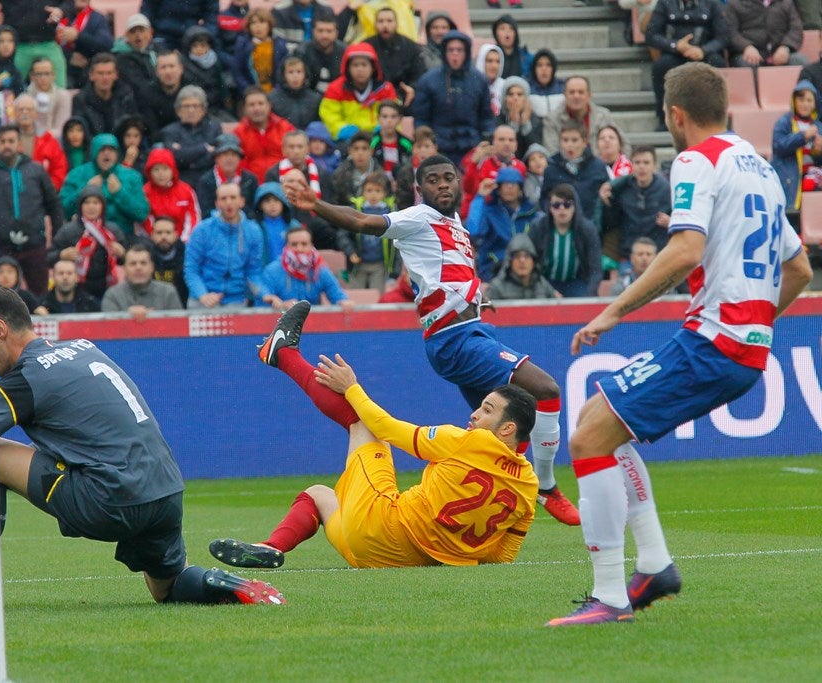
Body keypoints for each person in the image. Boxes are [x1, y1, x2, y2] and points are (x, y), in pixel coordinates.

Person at [547, 62, 812, 626]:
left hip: (716, 339)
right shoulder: (762, 169)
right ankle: (656, 565)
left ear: (676, 115)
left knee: (590, 435)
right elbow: (800, 270)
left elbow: (685, 249)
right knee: (603, 417)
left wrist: (613, 310)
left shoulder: (697, 159)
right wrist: (760, 320)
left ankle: (612, 596)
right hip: (744, 342)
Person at [0, 287, 285, 610]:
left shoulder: (25, 378)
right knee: (167, 588)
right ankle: (225, 583)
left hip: (110, 498)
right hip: (166, 491)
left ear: (0, 328)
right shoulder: (85, 348)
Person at [282, 155, 581, 525]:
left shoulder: (455, 224)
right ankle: (547, 487)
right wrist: (316, 204)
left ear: (459, 183)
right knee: (545, 389)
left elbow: (444, 272)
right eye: (434, 180)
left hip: (471, 330)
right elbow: (361, 220)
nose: (443, 185)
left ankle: (488, 503)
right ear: (419, 190)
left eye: (449, 178)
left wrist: (475, 297)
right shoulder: (418, 218)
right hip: (454, 339)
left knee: (498, 432)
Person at [209, 301, 538, 569]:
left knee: (363, 425)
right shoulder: (528, 483)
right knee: (320, 495)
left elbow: (387, 428)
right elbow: (502, 558)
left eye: (488, 410)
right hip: (395, 560)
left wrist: (351, 388)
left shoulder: (474, 441)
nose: (475, 414)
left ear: (508, 428)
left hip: (383, 529)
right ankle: (267, 547)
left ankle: (282, 354)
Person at [0, 125, 63, 297]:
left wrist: (56, 240)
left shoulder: (36, 170)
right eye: (2, 141)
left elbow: (54, 204)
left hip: (34, 245)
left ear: (20, 144)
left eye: (11, 141)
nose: (7, 145)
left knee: (40, 294)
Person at [645, 0, 728, 131]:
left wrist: (704, 50)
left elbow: (723, 37)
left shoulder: (712, 4)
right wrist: (675, 45)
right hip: (675, 53)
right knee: (660, 66)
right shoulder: (665, 3)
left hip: (703, 53)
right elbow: (652, 35)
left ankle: (715, 118)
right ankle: (664, 118)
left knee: (717, 64)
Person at [412, 31, 493, 165]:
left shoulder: (478, 80)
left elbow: (486, 116)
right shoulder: (428, 80)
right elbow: (421, 119)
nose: (455, 54)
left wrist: (486, 138)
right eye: (451, 50)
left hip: (472, 147)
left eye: (459, 50)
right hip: (439, 148)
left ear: (466, 52)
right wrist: (425, 145)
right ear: (444, 52)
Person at [183, 183, 264, 308]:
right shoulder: (202, 230)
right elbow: (191, 269)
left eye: (233, 197)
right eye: (223, 198)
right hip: (203, 298)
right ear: (217, 203)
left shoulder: (253, 230)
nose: (228, 202)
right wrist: (203, 295)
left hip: (236, 299)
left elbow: (253, 271)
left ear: (241, 201)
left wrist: (264, 293)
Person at [596, 145, 672, 269]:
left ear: (654, 166)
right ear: (632, 165)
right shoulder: (621, 188)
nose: (642, 167)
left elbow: (680, 221)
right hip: (629, 257)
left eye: (646, 163)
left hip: (657, 257)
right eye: (637, 162)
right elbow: (610, 223)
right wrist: (607, 204)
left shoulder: (666, 190)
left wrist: (671, 222)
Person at [60, 133, 149, 239]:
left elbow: (142, 214)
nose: (106, 154)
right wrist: (84, 190)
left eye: (111, 150)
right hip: (84, 238)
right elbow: (62, 210)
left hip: (122, 237)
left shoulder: (131, 176)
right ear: (94, 153)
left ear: (117, 153)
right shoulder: (78, 174)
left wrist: (120, 193)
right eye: (102, 150)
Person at [49, 184, 128, 301]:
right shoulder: (68, 230)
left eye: (96, 203)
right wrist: (61, 255)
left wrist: (122, 254)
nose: (91, 207)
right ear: (80, 206)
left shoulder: (113, 231)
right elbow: (48, 258)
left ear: (103, 206)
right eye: (87, 202)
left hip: (106, 288)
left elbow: (127, 259)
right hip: (76, 290)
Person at [466, 167, 542, 283]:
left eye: (513, 184)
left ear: (520, 188)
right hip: (494, 272)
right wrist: (480, 197)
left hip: (528, 272)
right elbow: (474, 230)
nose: (509, 188)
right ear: (498, 189)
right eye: (505, 184)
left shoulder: (533, 213)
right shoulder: (489, 212)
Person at [529, 183, 602, 298]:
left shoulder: (587, 229)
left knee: (584, 308)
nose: (562, 209)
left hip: (576, 282)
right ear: (550, 208)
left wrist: (590, 294)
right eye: (556, 205)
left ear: (575, 207)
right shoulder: (538, 228)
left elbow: (596, 268)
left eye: (567, 205)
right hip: (545, 281)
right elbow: (530, 264)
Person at [259, 226, 352, 310]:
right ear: (286, 246)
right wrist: (278, 303)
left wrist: (342, 301)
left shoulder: (319, 269)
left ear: (311, 245)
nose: (299, 248)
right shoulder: (272, 270)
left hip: (312, 323)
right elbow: (264, 296)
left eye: (304, 244)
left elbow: (335, 291)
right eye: (294, 244)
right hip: (280, 323)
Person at [318, 43, 398, 140]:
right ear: (348, 68)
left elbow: (395, 115)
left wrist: (384, 129)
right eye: (355, 65)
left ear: (373, 68)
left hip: (379, 138)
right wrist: (342, 129)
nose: (360, 69)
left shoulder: (386, 89)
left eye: (364, 65)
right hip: (347, 139)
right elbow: (329, 115)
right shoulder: (335, 88)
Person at [341, 171, 399, 293]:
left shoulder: (390, 212)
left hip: (380, 264)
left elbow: (396, 240)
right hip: (358, 263)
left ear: (385, 193)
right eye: (369, 190)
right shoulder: (356, 210)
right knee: (355, 295)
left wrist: (395, 268)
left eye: (378, 191)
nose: (373, 195)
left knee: (377, 295)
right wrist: (350, 251)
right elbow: (343, 233)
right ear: (363, 192)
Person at [541, 119, 611, 220]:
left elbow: (607, 198)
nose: (569, 145)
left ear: (584, 141)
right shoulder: (551, 169)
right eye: (565, 140)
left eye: (574, 140)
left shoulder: (598, 167)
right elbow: (544, 199)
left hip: (592, 226)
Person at [156, 86, 221, 189]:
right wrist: (203, 148)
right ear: (178, 111)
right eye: (186, 106)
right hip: (182, 181)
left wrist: (189, 161)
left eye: (195, 106)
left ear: (203, 110)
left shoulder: (214, 128)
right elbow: (175, 158)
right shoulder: (169, 131)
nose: (191, 110)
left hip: (210, 180)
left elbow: (217, 156)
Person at [771, 80, 822, 211]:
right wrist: (802, 136)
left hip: (812, 177)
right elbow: (778, 146)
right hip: (790, 175)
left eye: (809, 100)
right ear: (794, 101)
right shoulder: (785, 122)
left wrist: (819, 151)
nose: (805, 104)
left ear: (815, 103)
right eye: (801, 99)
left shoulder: (818, 126)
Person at [461, 124, 527, 220]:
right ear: (493, 142)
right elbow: (468, 189)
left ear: (516, 145)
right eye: (501, 139)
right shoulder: (480, 162)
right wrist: (474, 163)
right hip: (477, 216)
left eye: (511, 140)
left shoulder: (520, 167)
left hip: (508, 217)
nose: (506, 143)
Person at [101, 243, 183, 320]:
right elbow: (108, 329)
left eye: (143, 263)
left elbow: (179, 326)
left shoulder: (168, 292)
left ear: (152, 267)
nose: (138, 268)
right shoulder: (112, 295)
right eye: (133, 264)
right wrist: (126, 315)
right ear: (125, 268)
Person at [363, 7, 425, 106]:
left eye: (389, 21)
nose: (385, 25)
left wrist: (412, 88)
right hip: (372, 95)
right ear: (375, 24)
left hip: (404, 95)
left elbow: (418, 73)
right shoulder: (366, 46)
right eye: (381, 21)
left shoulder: (410, 46)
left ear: (396, 24)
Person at [542, 76, 618, 154]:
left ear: (589, 96)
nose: (576, 96)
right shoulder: (552, 119)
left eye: (581, 92)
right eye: (572, 92)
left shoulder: (604, 115)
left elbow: (622, 144)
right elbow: (552, 152)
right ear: (564, 95)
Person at [71, 53, 140, 137]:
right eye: (100, 73)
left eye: (109, 73)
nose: (105, 78)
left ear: (116, 75)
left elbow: (134, 127)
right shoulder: (80, 100)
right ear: (91, 76)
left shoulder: (125, 97)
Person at [235, 87, 295, 182]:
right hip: (252, 186)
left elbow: (294, 156)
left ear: (269, 106)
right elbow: (239, 165)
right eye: (251, 105)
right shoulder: (239, 132)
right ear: (245, 109)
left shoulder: (284, 127)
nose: (257, 108)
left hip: (283, 182)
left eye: (261, 104)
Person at [142, 148, 202, 241]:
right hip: (154, 242)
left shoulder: (186, 190)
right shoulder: (145, 192)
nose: (161, 173)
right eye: (156, 169)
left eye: (165, 169)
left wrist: (184, 241)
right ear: (150, 172)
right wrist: (158, 239)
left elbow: (194, 217)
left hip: (183, 241)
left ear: (172, 170)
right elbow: (145, 219)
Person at [724, 0, 806, 69]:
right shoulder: (735, 4)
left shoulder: (786, 3)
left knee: (799, 60)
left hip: (780, 51)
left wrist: (786, 47)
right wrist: (746, 47)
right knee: (745, 63)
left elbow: (796, 29)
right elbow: (730, 31)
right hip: (747, 53)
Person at [11, 93, 68, 190]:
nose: (25, 112)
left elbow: (59, 169)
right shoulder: (7, 137)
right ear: (14, 113)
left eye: (29, 109)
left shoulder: (48, 139)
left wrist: (47, 189)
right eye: (20, 109)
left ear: (36, 113)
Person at [195, 133, 259, 219]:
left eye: (233, 155)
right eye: (225, 154)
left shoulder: (250, 179)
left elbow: (254, 210)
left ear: (240, 158)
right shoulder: (205, 181)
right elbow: (206, 212)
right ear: (216, 158)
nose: (229, 159)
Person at [57, 0, 114, 90]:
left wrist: (78, 36)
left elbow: (106, 46)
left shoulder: (97, 18)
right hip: (61, 71)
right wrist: (69, 56)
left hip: (87, 72)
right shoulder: (57, 16)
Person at [179, 26, 233, 121]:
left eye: (203, 45)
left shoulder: (215, 62)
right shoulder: (184, 65)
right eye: (195, 46)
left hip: (216, 107)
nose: (199, 49)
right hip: (194, 107)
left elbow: (221, 85)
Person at [487, 233, 561, 301]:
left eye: (527, 256)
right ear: (509, 262)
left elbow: (557, 310)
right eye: (517, 256)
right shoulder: (497, 287)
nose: (522, 261)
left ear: (533, 262)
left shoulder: (542, 285)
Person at [232, 8, 288, 95]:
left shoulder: (279, 45)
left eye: (262, 22)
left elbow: (283, 72)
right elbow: (238, 72)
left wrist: (276, 91)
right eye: (253, 23)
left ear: (269, 25)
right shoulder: (242, 45)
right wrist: (248, 91)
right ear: (249, 26)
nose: (258, 26)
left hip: (275, 92)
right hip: (251, 92)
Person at [295, 15, 346, 96]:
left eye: (329, 31)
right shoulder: (302, 51)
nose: (324, 36)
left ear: (336, 33)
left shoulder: (345, 52)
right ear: (313, 32)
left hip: (338, 97)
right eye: (320, 31)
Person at [268, 56, 322, 131]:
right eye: (290, 72)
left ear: (305, 75)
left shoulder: (316, 99)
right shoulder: (272, 99)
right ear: (283, 75)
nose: (295, 76)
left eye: (299, 72)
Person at [251, 182, 301, 262]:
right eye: (267, 201)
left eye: (276, 200)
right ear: (260, 205)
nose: (272, 204)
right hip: (262, 272)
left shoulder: (294, 226)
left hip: (289, 272)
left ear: (283, 203)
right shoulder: (253, 227)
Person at [140, 0, 218, 51]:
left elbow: (211, 17)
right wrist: (147, 35)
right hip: (162, 34)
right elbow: (147, 11)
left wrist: (205, 38)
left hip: (191, 36)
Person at [26, 56, 74, 137]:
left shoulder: (63, 96)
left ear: (53, 75)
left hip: (55, 140)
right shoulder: (25, 97)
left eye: (47, 74)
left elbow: (62, 128)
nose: (43, 78)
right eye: (39, 74)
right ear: (32, 76)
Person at [147, 215, 189, 305]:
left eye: (168, 232)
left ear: (176, 235)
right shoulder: (145, 257)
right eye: (159, 232)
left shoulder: (187, 256)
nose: (163, 236)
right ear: (152, 235)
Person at [395, 126, 438, 209]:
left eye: (427, 146)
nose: (422, 150)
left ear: (435, 148)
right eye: (418, 146)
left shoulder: (444, 167)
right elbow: (402, 200)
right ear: (413, 149)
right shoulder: (405, 172)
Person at [496, 77, 543, 154]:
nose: (515, 98)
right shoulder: (497, 121)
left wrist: (525, 124)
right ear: (505, 99)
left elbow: (537, 151)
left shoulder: (536, 120)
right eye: (511, 94)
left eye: (519, 94)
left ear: (526, 99)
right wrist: (514, 125)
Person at [273, 0, 337, 52]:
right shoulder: (279, 11)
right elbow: (278, 45)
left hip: (319, 58)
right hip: (291, 60)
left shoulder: (326, 10)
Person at [370, 100, 412, 179]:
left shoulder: (407, 143)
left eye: (393, 116)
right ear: (378, 118)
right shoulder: (371, 142)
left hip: (400, 184)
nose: (389, 121)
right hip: (377, 183)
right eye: (385, 116)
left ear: (400, 119)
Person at [527, 48, 565, 119]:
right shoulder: (527, 88)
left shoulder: (563, 86)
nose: (544, 69)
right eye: (539, 65)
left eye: (548, 65)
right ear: (534, 69)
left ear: (553, 68)